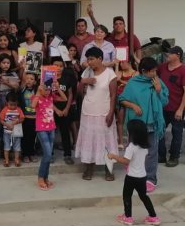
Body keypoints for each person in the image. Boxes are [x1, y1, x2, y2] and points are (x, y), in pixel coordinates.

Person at [119, 57, 169, 193]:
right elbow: (122, 99)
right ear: (143, 71)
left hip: (153, 122)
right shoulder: (133, 83)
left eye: (155, 71)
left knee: (152, 151)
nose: (154, 73)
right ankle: (133, 169)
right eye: (152, 71)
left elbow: (165, 101)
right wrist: (133, 105)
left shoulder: (157, 82)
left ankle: (151, 179)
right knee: (133, 149)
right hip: (136, 123)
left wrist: (159, 90)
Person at [75, 47, 118, 181]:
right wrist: (83, 82)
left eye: (92, 59)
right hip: (88, 112)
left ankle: (109, 169)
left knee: (107, 141)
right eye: (88, 59)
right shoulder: (87, 72)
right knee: (90, 141)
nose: (90, 62)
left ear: (100, 59)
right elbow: (78, 93)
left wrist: (111, 113)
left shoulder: (110, 74)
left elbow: (113, 95)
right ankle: (89, 168)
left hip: (104, 112)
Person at [108, 119, 161, 226]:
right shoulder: (145, 146)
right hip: (142, 176)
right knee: (144, 196)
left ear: (132, 134)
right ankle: (153, 216)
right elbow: (140, 160)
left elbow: (125, 160)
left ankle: (128, 217)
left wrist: (113, 156)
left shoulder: (131, 147)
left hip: (131, 177)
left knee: (127, 196)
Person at [32, 81, 67, 191]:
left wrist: (58, 88)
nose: (47, 92)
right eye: (45, 89)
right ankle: (40, 177)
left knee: (48, 155)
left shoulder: (51, 97)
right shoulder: (36, 97)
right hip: (41, 129)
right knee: (47, 154)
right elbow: (33, 105)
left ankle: (45, 177)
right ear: (40, 88)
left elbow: (64, 99)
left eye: (49, 89)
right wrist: (38, 91)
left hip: (51, 128)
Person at [0, 53, 19, 162]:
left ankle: (7, 152)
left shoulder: (13, 74)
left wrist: (7, 82)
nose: (6, 65)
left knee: (9, 128)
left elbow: (16, 87)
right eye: (3, 63)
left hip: (10, 104)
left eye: (8, 63)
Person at [157, 46, 185, 167]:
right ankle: (161, 156)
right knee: (160, 132)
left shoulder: (183, 70)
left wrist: (180, 109)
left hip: (177, 108)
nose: (167, 54)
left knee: (177, 133)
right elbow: (150, 70)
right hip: (162, 107)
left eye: (170, 53)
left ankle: (174, 157)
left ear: (178, 55)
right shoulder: (162, 67)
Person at [52, 57, 74, 165]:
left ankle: (67, 155)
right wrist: (55, 110)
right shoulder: (48, 78)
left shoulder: (67, 79)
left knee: (65, 132)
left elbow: (70, 95)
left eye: (61, 66)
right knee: (50, 133)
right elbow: (45, 97)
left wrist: (66, 109)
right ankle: (50, 154)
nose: (58, 68)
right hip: (51, 110)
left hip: (65, 110)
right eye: (56, 66)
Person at [115, 56, 138, 150]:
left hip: (131, 100)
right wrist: (116, 66)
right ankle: (120, 142)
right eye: (120, 63)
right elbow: (115, 78)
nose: (121, 64)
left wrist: (121, 82)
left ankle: (131, 142)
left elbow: (132, 84)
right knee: (120, 121)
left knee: (131, 122)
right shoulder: (120, 72)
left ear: (129, 62)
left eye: (123, 62)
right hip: (120, 99)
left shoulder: (136, 73)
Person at [0, 91, 25, 167]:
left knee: (17, 147)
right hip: (7, 132)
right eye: (11, 105)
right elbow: (1, 119)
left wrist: (17, 121)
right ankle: (6, 160)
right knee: (6, 146)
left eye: (15, 105)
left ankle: (16, 159)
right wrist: (6, 124)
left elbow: (22, 118)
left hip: (16, 133)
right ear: (7, 102)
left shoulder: (19, 109)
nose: (13, 107)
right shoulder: (5, 110)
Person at [19, 73, 38, 163]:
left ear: (35, 82)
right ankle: (25, 154)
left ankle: (32, 153)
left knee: (33, 137)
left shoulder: (37, 91)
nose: (29, 80)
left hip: (35, 117)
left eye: (31, 79)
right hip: (25, 117)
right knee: (25, 137)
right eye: (27, 78)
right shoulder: (23, 90)